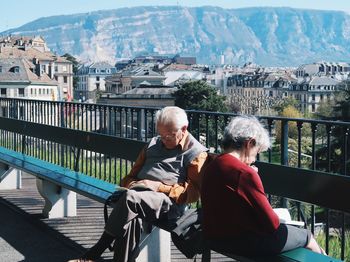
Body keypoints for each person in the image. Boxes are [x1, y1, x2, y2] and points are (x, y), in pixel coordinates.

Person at [69, 106, 208, 262]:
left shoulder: (196, 153)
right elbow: (129, 177)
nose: (164, 140)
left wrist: (158, 187)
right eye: (161, 135)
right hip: (140, 196)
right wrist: (134, 184)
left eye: (169, 136)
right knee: (130, 218)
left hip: (169, 203)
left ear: (184, 128)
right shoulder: (153, 143)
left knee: (130, 200)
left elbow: (193, 194)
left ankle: (93, 254)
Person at [201, 116, 325, 257]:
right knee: (307, 236)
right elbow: (272, 223)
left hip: (214, 237)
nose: (254, 159)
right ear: (249, 143)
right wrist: (252, 177)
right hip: (241, 241)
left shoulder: (213, 165)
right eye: (257, 152)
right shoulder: (244, 173)